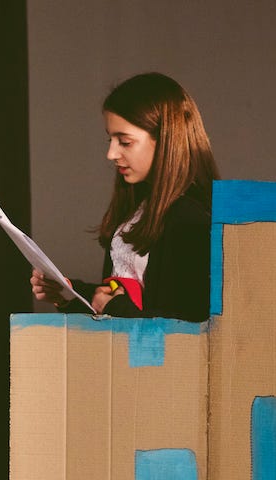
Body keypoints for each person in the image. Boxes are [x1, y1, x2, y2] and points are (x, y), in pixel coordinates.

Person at [31, 72, 220, 321]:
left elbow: (189, 327)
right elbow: (124, 301)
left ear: (165, 141)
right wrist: (69, 294)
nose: (111, 153)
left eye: (125, 142)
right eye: (111, 139)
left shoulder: (190, 219)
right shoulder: (138, 205)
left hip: (153, 360)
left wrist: (113, 307)